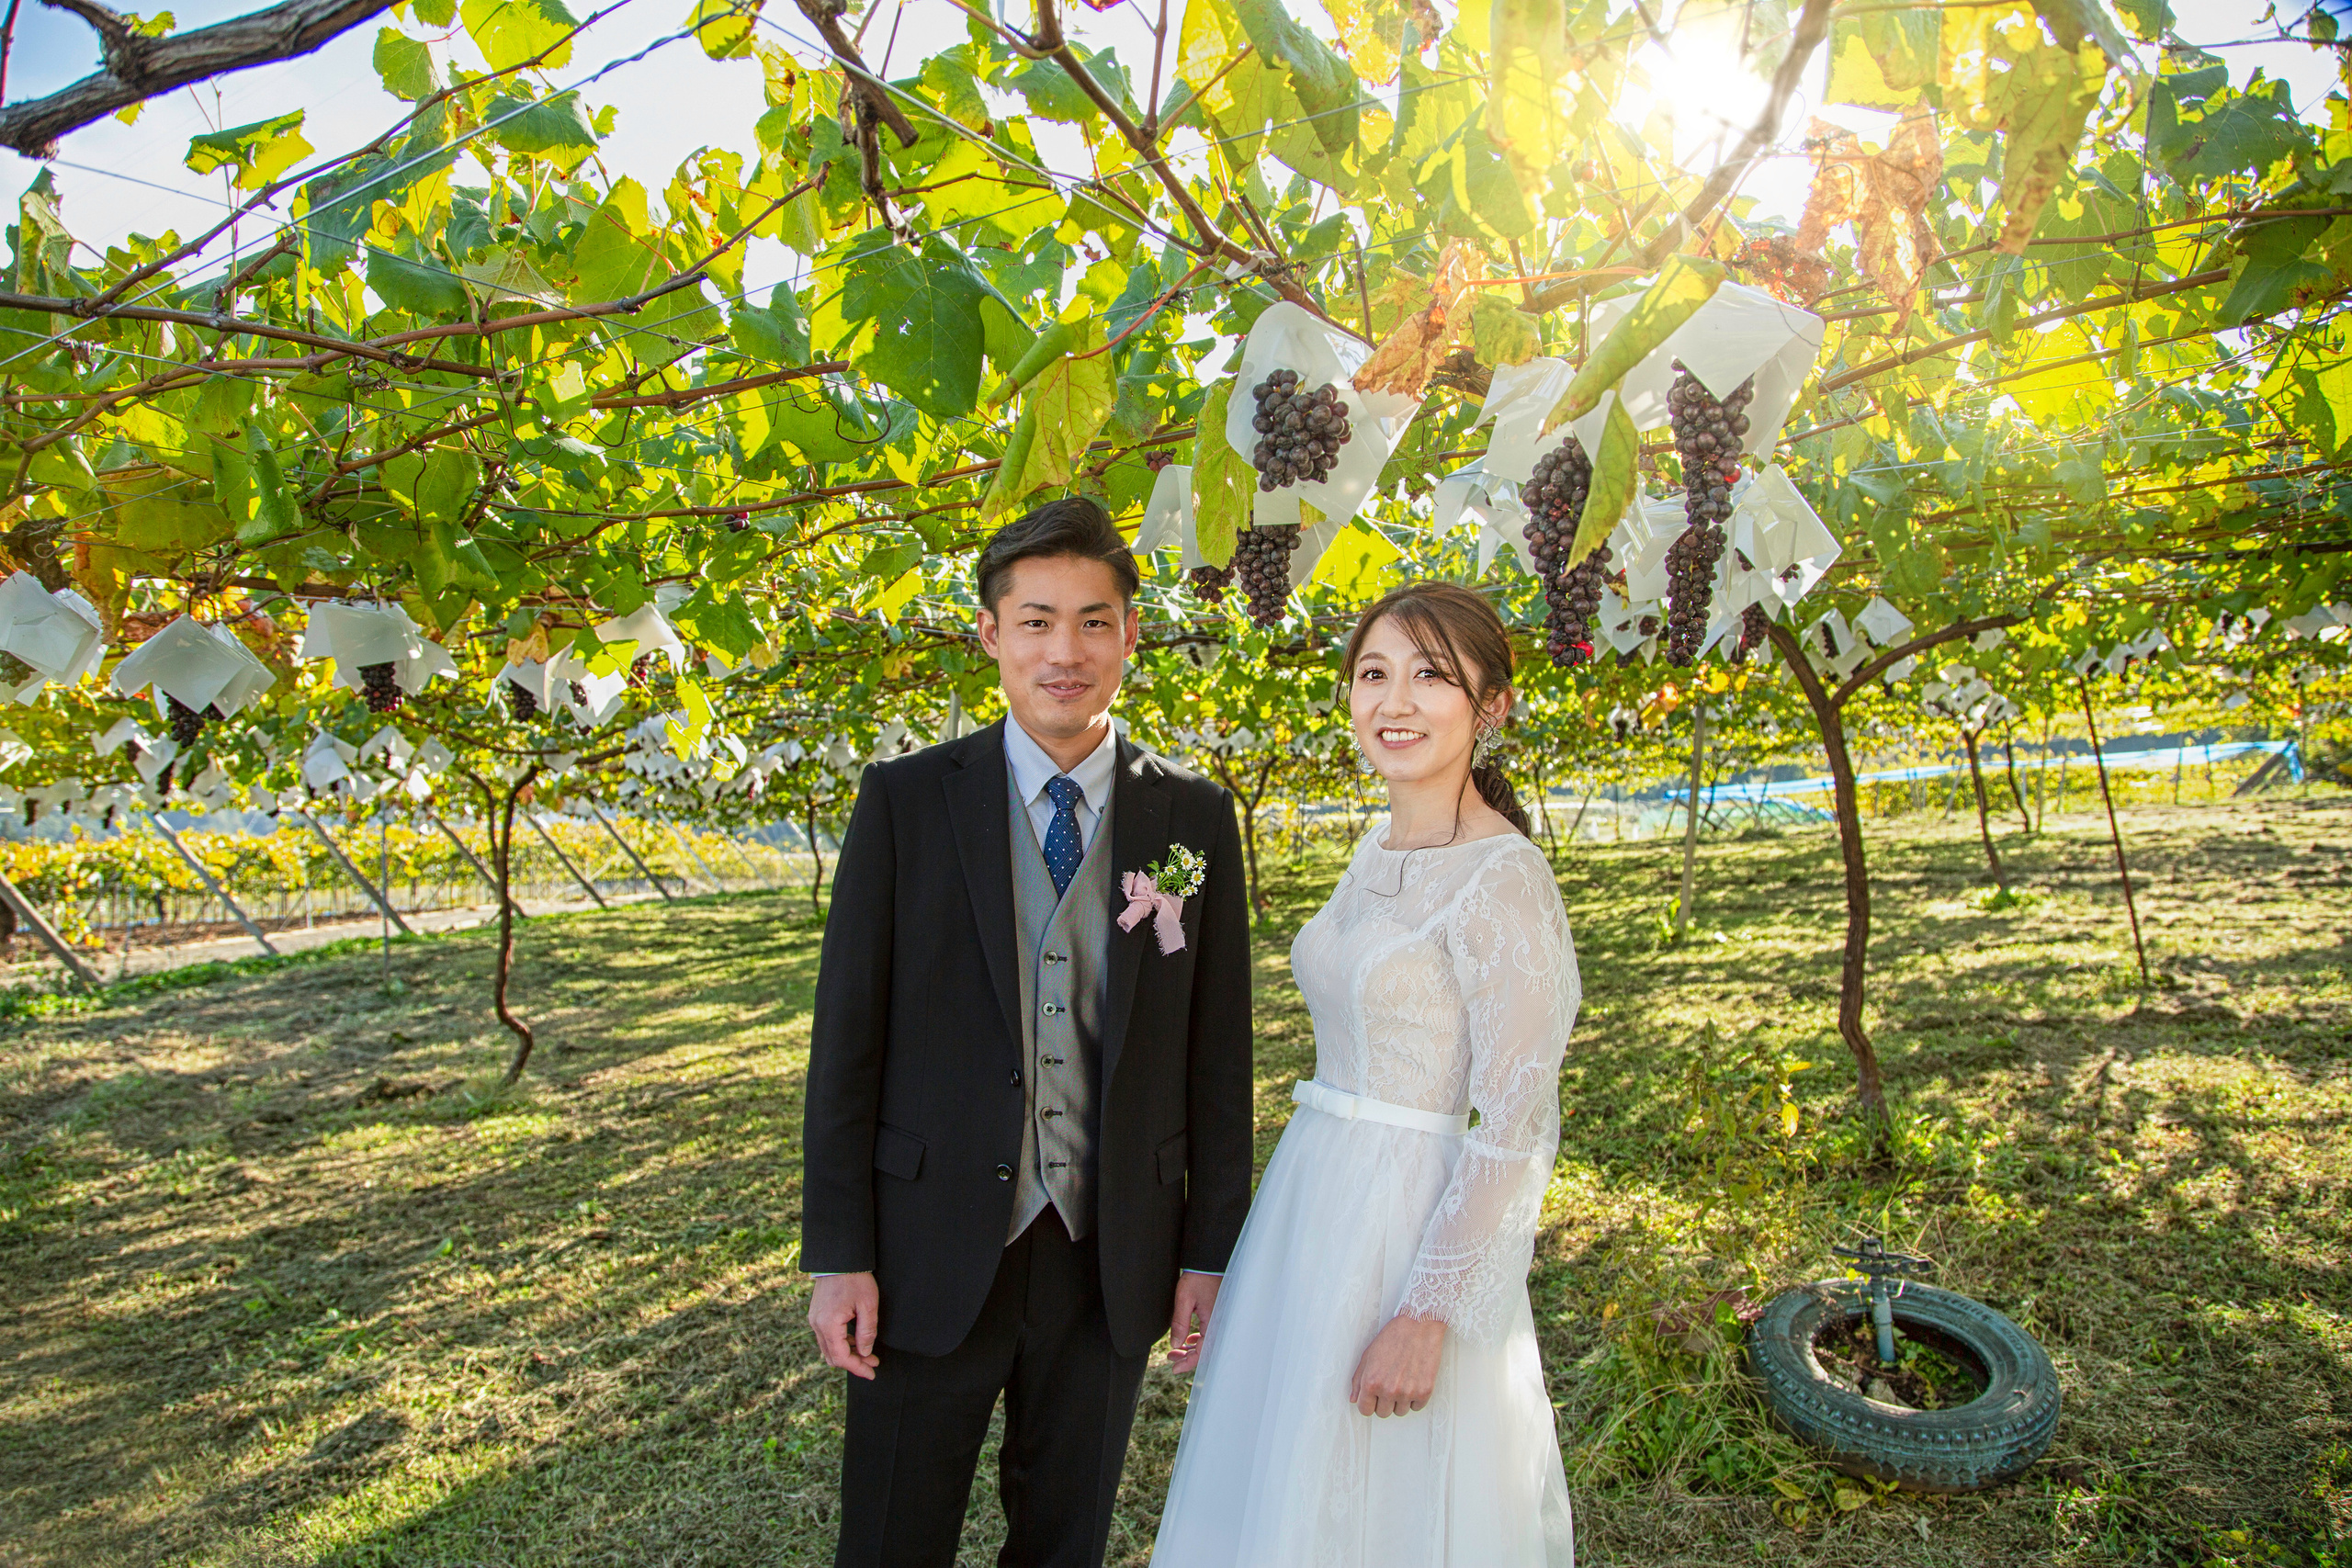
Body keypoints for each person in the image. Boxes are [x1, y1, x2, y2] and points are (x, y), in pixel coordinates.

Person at [800, 496, 1255, 1568]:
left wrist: (1208, 1250)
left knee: (1065, 1543)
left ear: (1130, 637)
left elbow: (1215, 1051)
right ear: (990, 634)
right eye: (1038, 620)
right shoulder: (906, 802)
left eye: (1094, 622)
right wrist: (840, 1252)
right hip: (927, 1243)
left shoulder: (1190, 817)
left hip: (1110, 1250)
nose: (1066, 651)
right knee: (890, 1540)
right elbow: (846, 1043)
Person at [1151, 581, 1582, 1568]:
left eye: (1431, 676)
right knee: (1293, 1484)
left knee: (1386, 1501)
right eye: (1373, 674)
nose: (1394, 701)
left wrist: (1426, 1311)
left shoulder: (1503, 878)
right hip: (1315, 1195)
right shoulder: (1375, 844)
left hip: (1409, 1222)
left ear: (1492, 705)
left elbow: (1516, 1123)